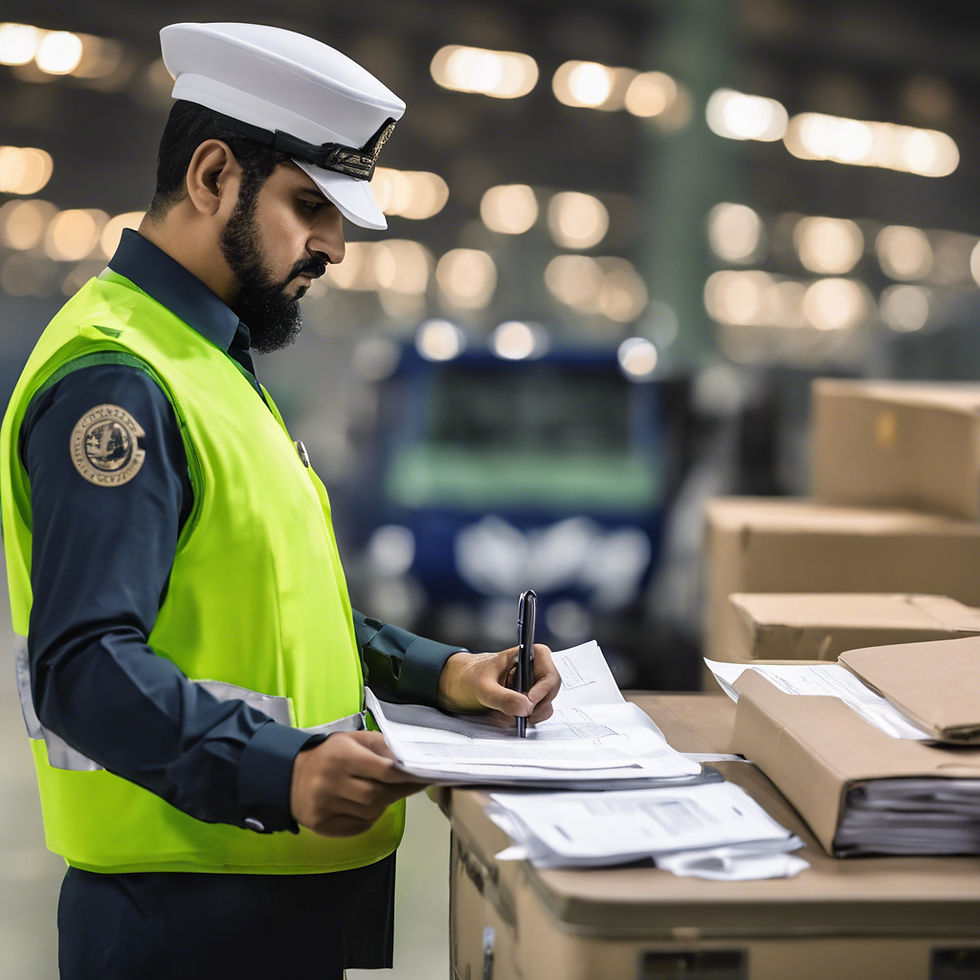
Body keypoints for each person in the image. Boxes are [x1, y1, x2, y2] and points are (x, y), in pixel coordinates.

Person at [0, 22, 560, 979]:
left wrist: (445, 672)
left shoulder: (209, 361)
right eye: (310, 205)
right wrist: (281, 772)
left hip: (261, 894)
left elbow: (275, 606)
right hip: (181, 917)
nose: (335, 245)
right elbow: (82, 666)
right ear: (214, 175)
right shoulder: (119, 381)